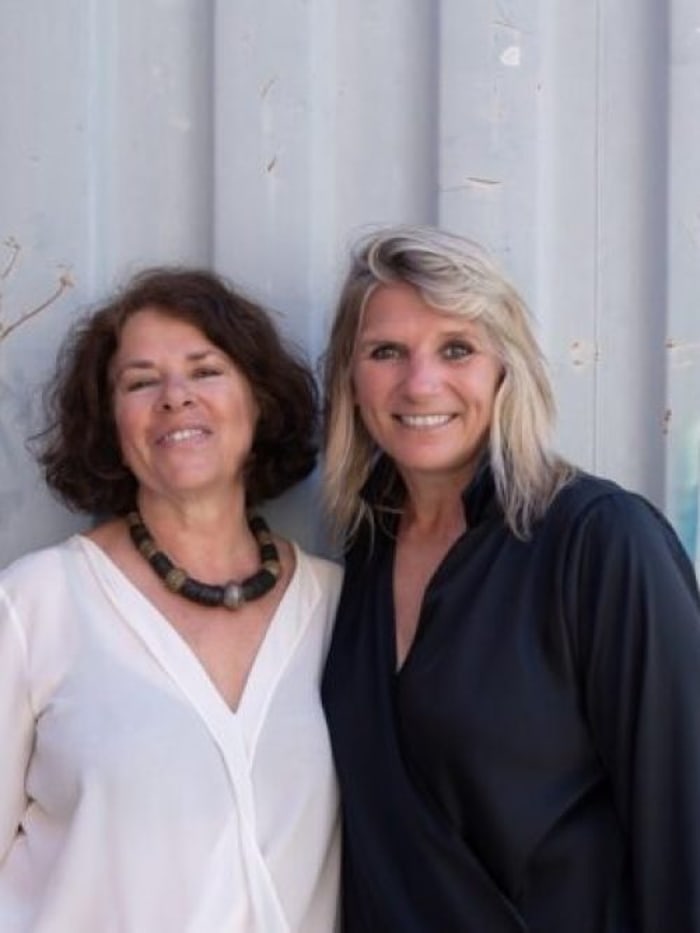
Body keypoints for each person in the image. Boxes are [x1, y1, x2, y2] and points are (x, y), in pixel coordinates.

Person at [321, 225, 700, 932]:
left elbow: (685, 821)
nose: (420, 383)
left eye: (456, 349)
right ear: (350, 377)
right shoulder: (361, 560)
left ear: (505, 368)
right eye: (386, 352)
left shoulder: (599, 541)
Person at [0, 268, 342, 932]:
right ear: (110, 424)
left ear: (260, 401)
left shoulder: (338, 609)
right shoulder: (34, 607)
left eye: (205, 371)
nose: (175, 397)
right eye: (140, 382)